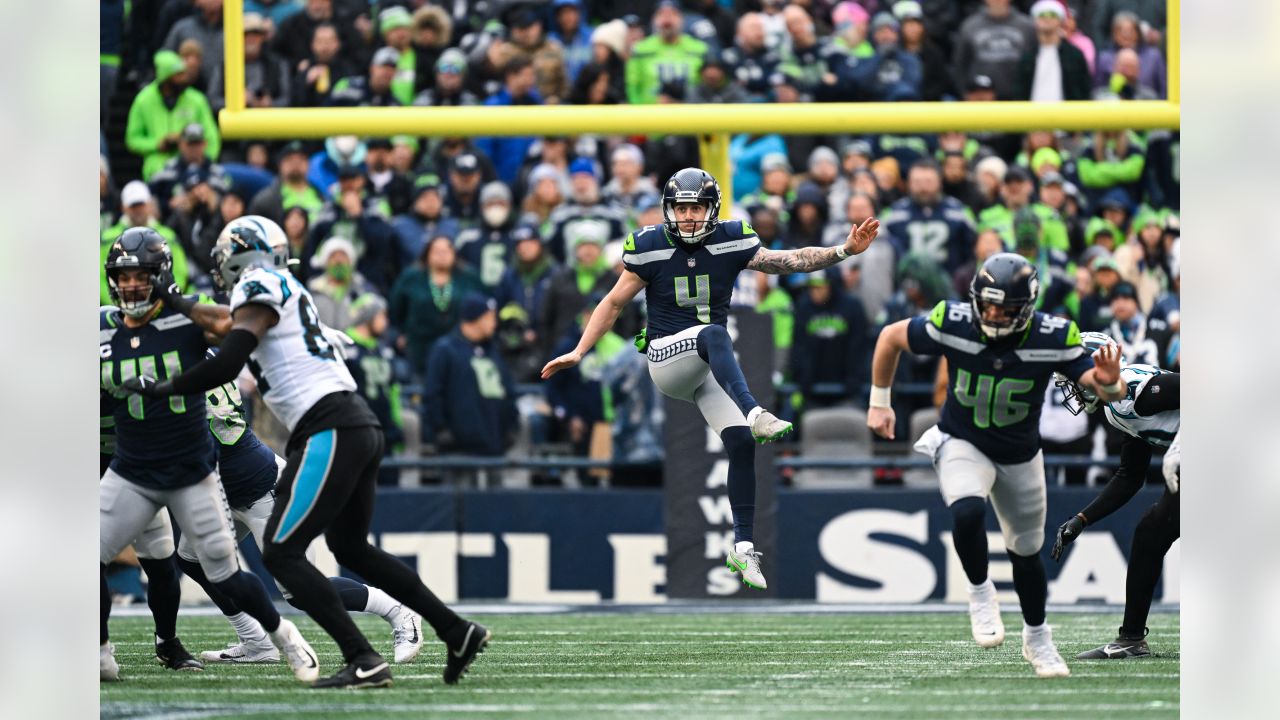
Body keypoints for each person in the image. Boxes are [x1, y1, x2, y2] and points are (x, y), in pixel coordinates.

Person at [123, 224, 491, 689]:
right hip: (354, 422)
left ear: (243, 259)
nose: (218, 265)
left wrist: (164, 387)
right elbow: (224, 323)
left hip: (328, 426)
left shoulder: (259, 284)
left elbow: (229, 355)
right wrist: (178, 303)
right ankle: (457, 631)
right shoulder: (279, 287)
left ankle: (363, 657)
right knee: (351, 548)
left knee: (280, 554)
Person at [542, 168, 881, 591]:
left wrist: (844, 250)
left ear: (711, 209)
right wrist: (579, 351)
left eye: (695, 207)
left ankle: (742, 546)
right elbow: (612, 303)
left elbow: (785, 261)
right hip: (666, 359)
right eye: (680, 208)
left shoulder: (731, 238)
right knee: (715, 334)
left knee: (740, 443)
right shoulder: (648, 247)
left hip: (702, 368)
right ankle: (756, 410)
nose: (686, 216)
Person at [866, 252, 1126, 678]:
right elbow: (891, 338)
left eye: (1004, 309)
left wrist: (1112, 380)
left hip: (1020, 454)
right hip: (961, 439)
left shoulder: (1053, 336)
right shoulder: (953, 320)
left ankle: (1038, 638)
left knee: (1026, 554)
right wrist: (879, 403)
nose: (992, 315)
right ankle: (980, 591)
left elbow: (1105, 392)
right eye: (986, 305)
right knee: (967, 510)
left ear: (1026, 308)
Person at [100, 228, 318, 683]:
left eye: (143, 277)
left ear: (161, 277)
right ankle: (99, 652)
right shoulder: (102, 327)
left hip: (190, 471)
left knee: (223, 572)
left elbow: (235, 324)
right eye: (125, 277)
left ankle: (283, 636)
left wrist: (179, 303)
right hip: (132, 471)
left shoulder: (186, 322)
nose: (133, 286)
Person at [1051, 332, 1180, 659]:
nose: (1073, 386)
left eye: (1074, 374)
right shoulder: (1114, 410)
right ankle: (1131, 639)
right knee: (1150, 532)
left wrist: (1180, 447)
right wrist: (1082, 519)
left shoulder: (1133, 392)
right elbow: (1130, 477)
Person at [425, 294, 519, 457]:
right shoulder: (445, 349)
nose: (494, 323)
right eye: (490, 317)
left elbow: (508, 390)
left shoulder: (493, 351)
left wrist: (510, 425)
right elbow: (433, 392)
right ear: (476, 318)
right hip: (458, 447)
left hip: (494, 442)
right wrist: (441, 428)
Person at [126, 49, 221, 180]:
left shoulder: (197, 100)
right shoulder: (143, 100)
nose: (185, 78)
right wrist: (158, 144)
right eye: (178, 75)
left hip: (192, 170)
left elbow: (212, 138)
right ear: (166, 79)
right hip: (156, 171)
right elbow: (132, 139)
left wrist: (204, 162)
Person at [882, 159, 976, 275]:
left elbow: (973, 249)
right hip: (907, 284)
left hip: (951, 284)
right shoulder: (894, 214)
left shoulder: (959, 212)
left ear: (939, 182)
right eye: (917, 182)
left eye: (928, 182)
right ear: (909, 183)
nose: (923, 188)